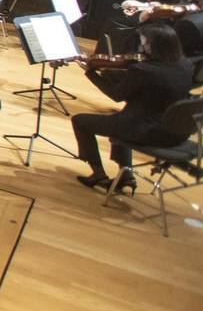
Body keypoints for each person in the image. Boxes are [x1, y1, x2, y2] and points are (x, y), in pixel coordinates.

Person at [70, 24, 192, 192]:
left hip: (149, 131)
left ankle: (98, 174)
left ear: (153, 46)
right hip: (176, 130)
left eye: (145, 43)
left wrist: (90, 72)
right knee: (121, 118)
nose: (142, 47)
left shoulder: (144, 70)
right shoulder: (184, 64)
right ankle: (126, 175)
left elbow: (116, 95)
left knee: (80, 121)